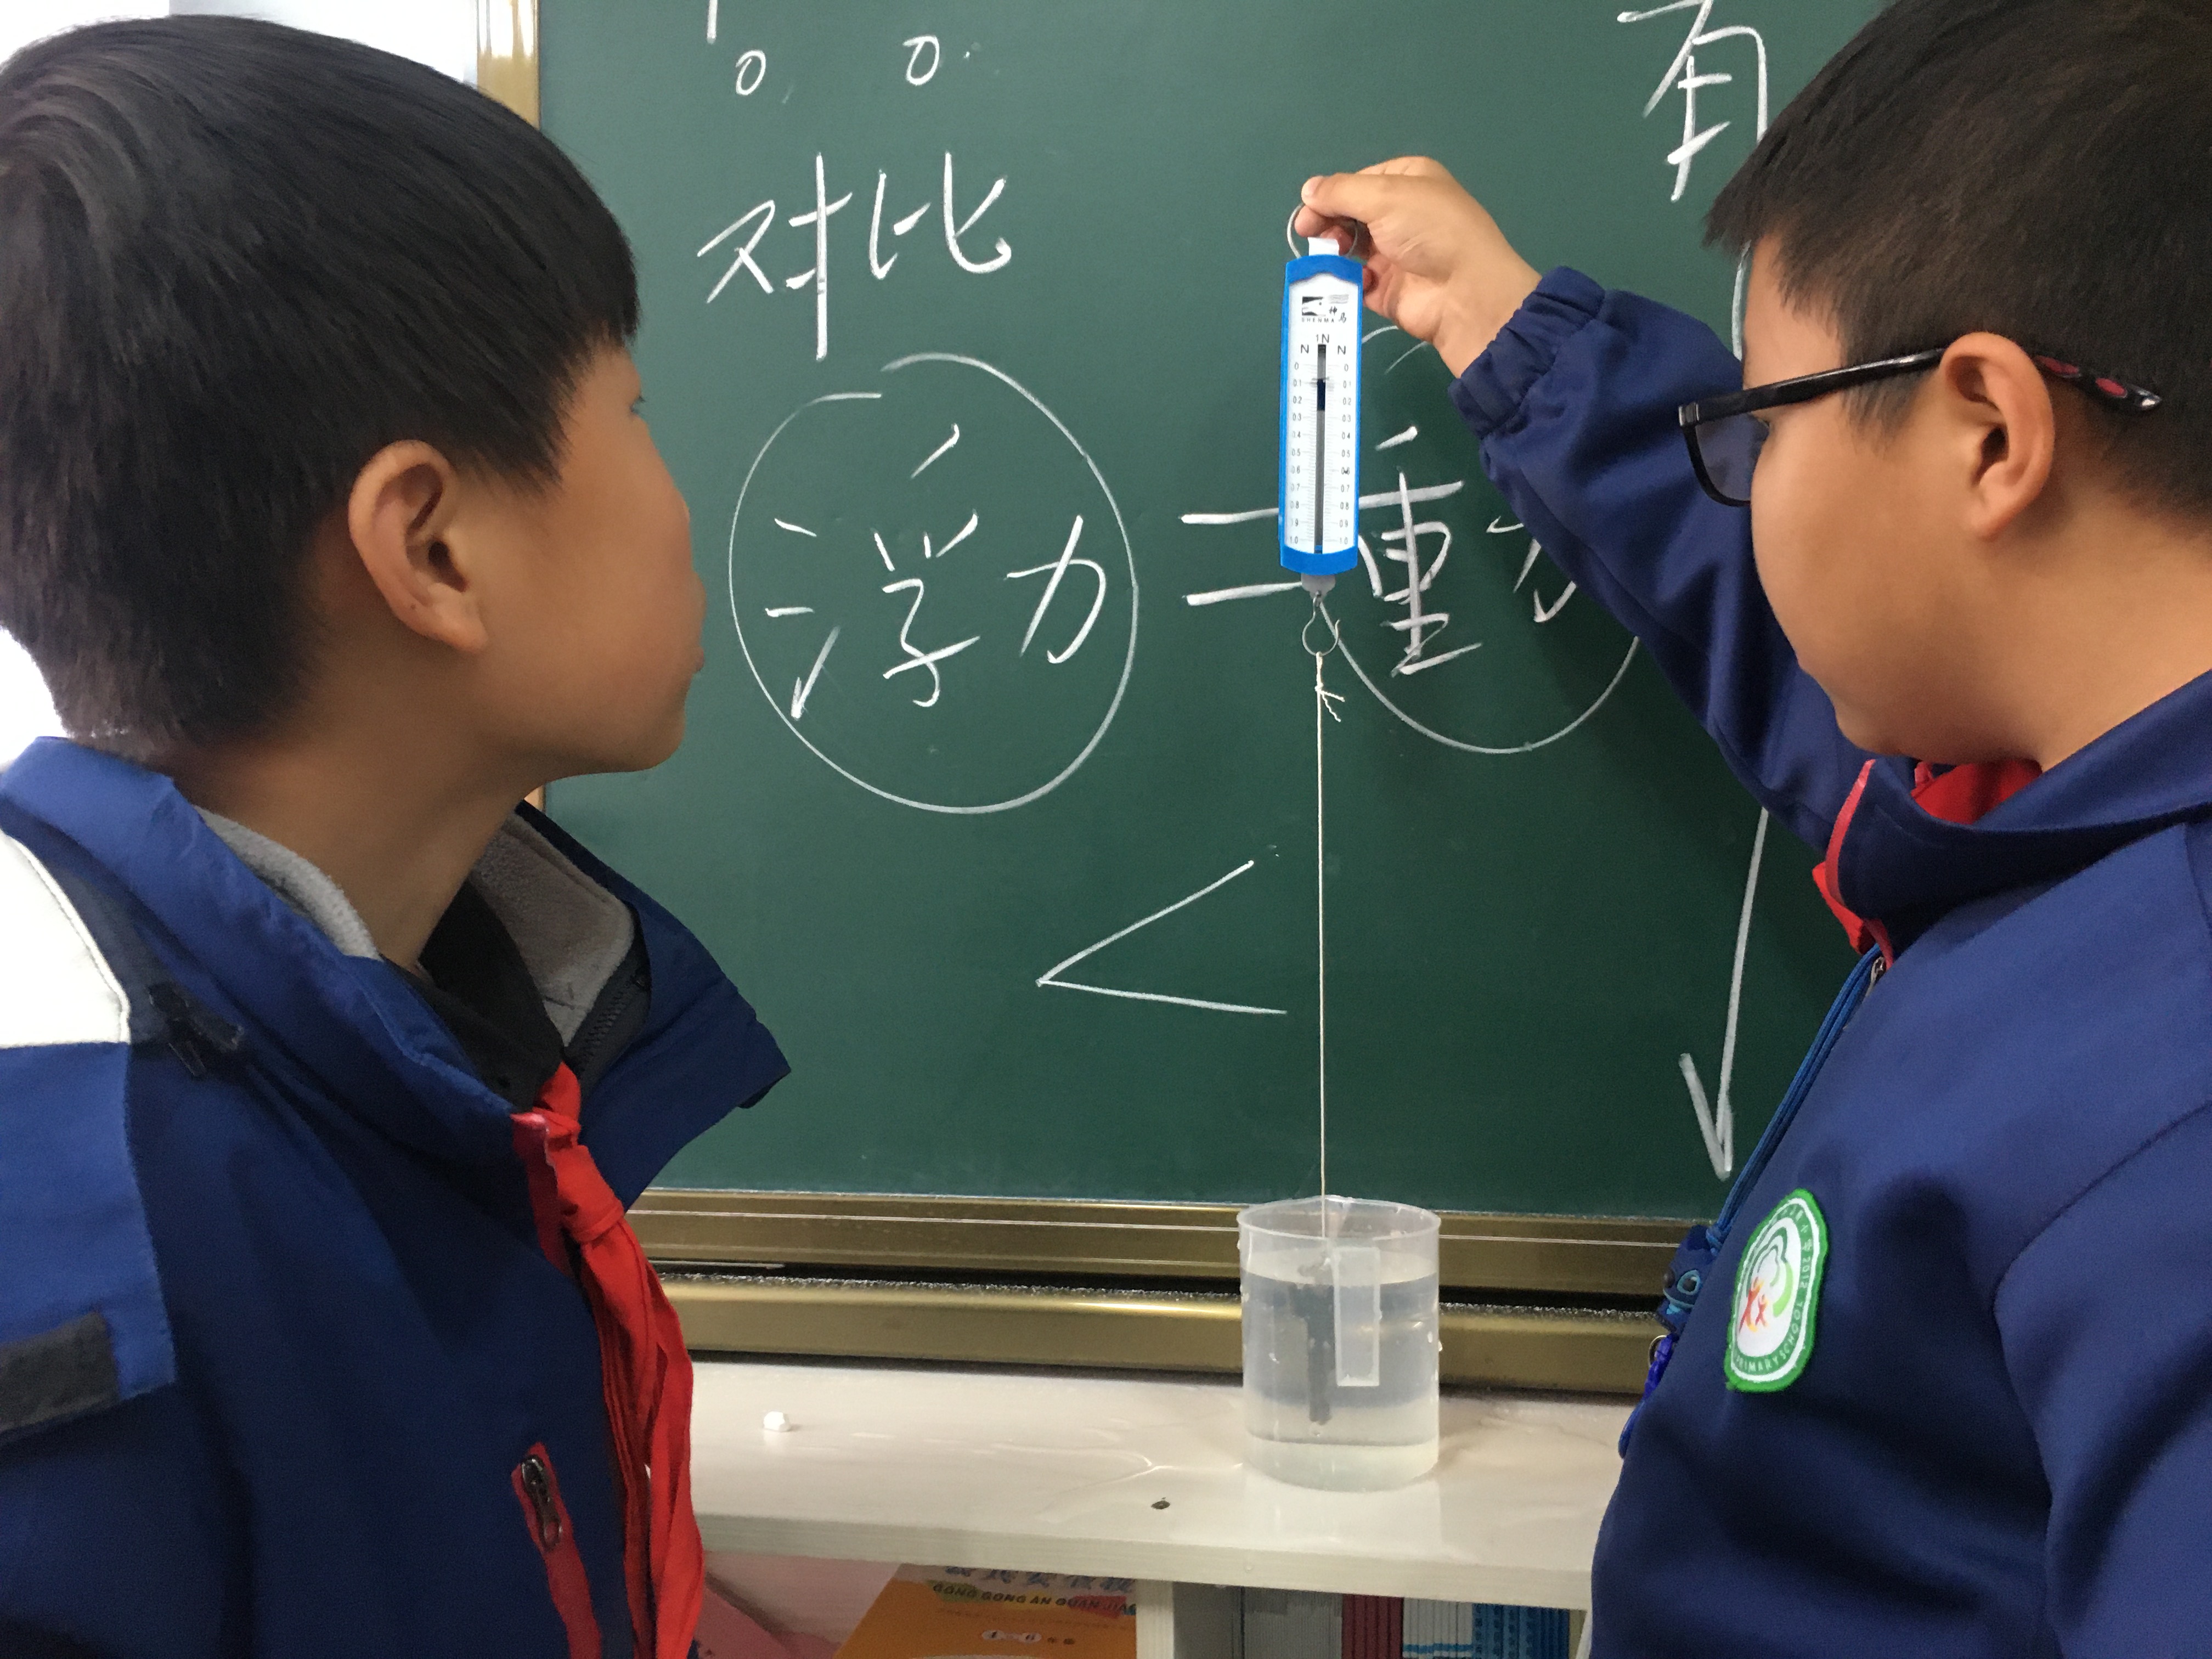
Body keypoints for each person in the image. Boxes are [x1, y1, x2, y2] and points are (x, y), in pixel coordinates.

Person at [1296, 0, 2212, 1652]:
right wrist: (1511, 337)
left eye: (1760, 425)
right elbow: (1808, 629)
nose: (1746, 473)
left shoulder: (2171, 1111)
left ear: (1990, 434)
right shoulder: (2024, 811)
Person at [0, 18, 787, 1658]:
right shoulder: (74, 1234)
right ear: (432, 548)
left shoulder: (425, 1061)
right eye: (634, 410)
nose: (678, 500)